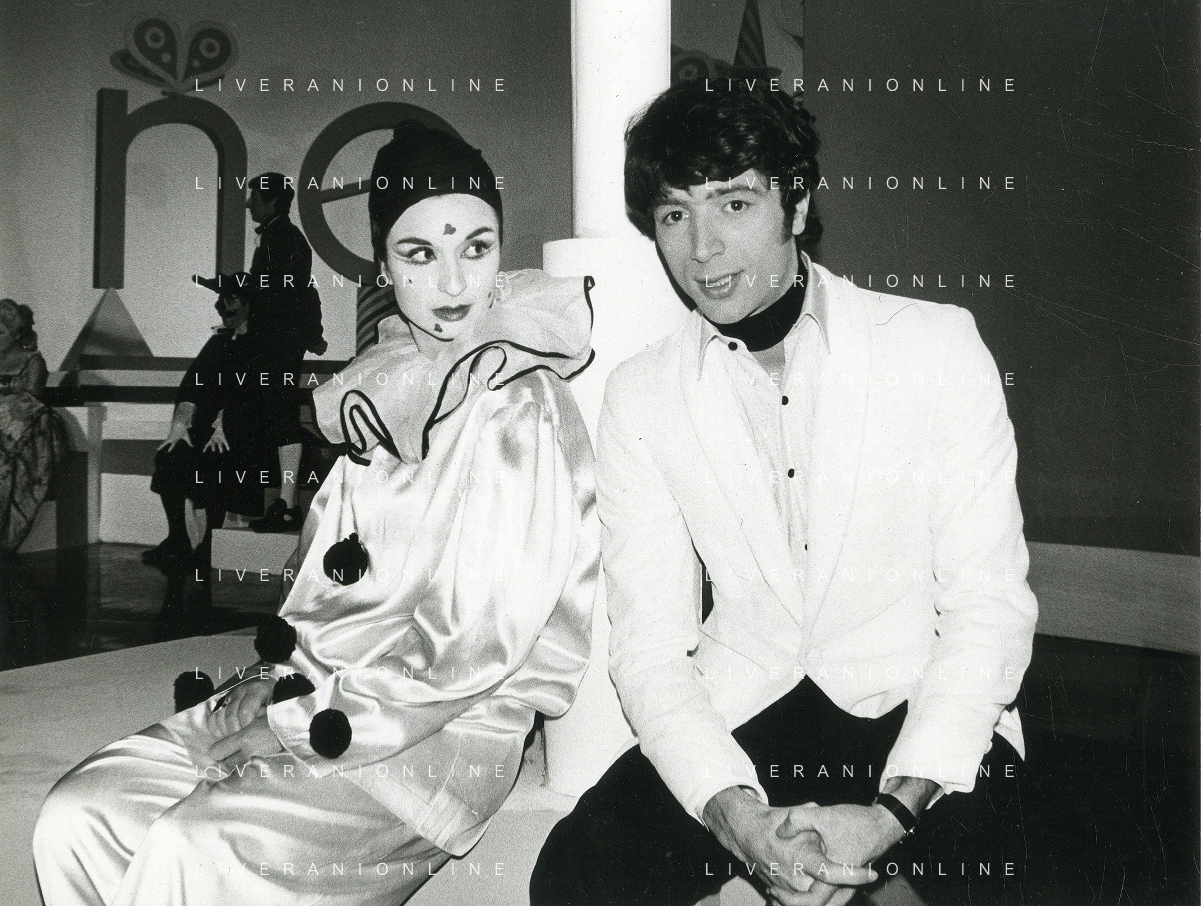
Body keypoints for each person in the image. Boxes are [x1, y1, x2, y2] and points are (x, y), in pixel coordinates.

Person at [33, 121, 599, 906]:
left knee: (196, 847)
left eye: (476, 248)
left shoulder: (519, 406)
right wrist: (280, 683)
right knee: (79, 813)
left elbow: (474, 651)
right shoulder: (384, 378)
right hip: (321, 688)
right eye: (419, 254)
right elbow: (326, 584)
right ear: (383, 266)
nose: (453, 282)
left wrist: (294, 724)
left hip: (441, 733)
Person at [531, 81, 1046, 906]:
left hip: (916, 698)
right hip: (748, 703)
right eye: (674, 214)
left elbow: (986, 612)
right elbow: (649, 649)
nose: (702, 248)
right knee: (574, 875)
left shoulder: (934, 347)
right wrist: (734, 816)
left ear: (796, 204)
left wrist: (888, 817)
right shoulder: (641, 394)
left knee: (1013, 873)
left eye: (733, 203)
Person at [198, 172, 322, 533]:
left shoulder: (281, 237)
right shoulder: (280, 236)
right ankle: (284, 504)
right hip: (280, 342)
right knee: (279, 420)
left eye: (254, 197)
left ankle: (287, 505)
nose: (249, 203)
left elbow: (276, 293)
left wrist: (237, 290)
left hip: (278, 344)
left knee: (282, 420)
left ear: (272, 201)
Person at [142, 277, 272, 567]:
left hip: (247, 433)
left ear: (249, 303)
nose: (223, 307)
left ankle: (209, 543)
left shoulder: (263, 343)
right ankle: (178, 537)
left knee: (215, 459)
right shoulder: (218, 343)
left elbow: (257, 395)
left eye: (231, 300)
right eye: (221, 301)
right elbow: (192, 385)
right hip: (210, 429)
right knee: (171, 455)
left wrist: (226, 425)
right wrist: (180, 424)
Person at [0, 299, 68, 553]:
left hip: (27, 420)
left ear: (18, 334)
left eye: (1, 333)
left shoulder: (33, 360)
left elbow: (31, 398)